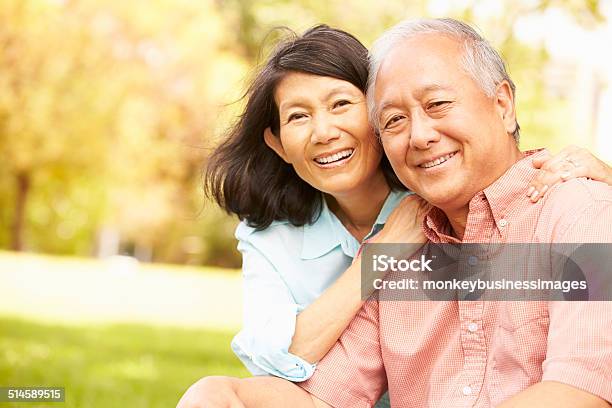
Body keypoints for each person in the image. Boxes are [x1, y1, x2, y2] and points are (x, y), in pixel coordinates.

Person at [177, 20, 612, 408]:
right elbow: (328, 394)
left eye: (438, 104)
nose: (420, 135)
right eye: (395, 120)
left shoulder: (580, 215)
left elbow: (581, 391)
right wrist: (226, 395)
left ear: (502, 104)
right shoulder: (404, 254)